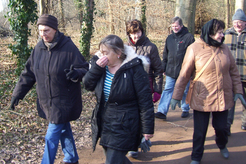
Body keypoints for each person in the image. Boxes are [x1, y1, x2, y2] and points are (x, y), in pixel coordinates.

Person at [9, 14, 88, 164]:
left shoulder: (69, 47)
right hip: (47, 100)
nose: (43, 34)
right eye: (40, 31)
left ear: (55, 30)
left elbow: (84, 67)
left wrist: (76, 73)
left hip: (65, 100)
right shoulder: (38, 49)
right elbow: (28, 73)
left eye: (46, 30)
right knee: (63, 128)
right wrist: (17, 94)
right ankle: (71, 158)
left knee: (51, 136)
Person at [171, 19, 246, 164]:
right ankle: (196, 157)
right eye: (219, 32)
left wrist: (238, 91)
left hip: (222, 96)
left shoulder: (224, 48)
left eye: (222, 32)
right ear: (209, 33)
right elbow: (184, 74)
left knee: (222, 128)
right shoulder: (194, 48)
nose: (222, 35)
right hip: (202, 98)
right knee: (200, 132)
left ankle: (222, 144)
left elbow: (234, 72)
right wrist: (176, 96)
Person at [83, 35, 154, 164]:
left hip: (125, 122)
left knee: (112, 160)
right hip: (105, 120)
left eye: (106, 53)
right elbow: (87, 85)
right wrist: (96, 69)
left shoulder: (134, 68)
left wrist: (147, 129)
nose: (102, 56)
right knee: (116, 159)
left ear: (118, 53)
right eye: (101, 52)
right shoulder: (100, 66)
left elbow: (145, 101)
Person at [126, 19, 163, 158]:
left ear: (142, 31)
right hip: (129, 88)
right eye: (132, 33)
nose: (135, 36)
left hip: (146, 88)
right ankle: (134, 144)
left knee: (143, 116)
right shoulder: (125, 48)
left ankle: (142, 139)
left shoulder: (151, 47)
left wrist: (158, 90)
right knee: (132, 116)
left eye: (138, 32)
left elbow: (158, 70)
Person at [155, 16, 194, 120]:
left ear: (181, 26)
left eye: (176, 26)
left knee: (185, 90)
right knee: (168, 89)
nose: (174, 28)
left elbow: (193, 55)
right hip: (170, 70)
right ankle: (161, 111)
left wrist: (192, 71)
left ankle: (185, 109)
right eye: (173, 26)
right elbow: (165, 54)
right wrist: (164, 67)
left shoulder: (189, 37)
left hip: (185, 71)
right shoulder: (169, 38)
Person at [224, 9, 246, 133]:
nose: (237, 25)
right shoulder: (226, 34)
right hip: (231, 76)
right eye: (235, 22)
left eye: (239, 22)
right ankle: (227, 126)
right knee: (229, 103)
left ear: (245, 22)